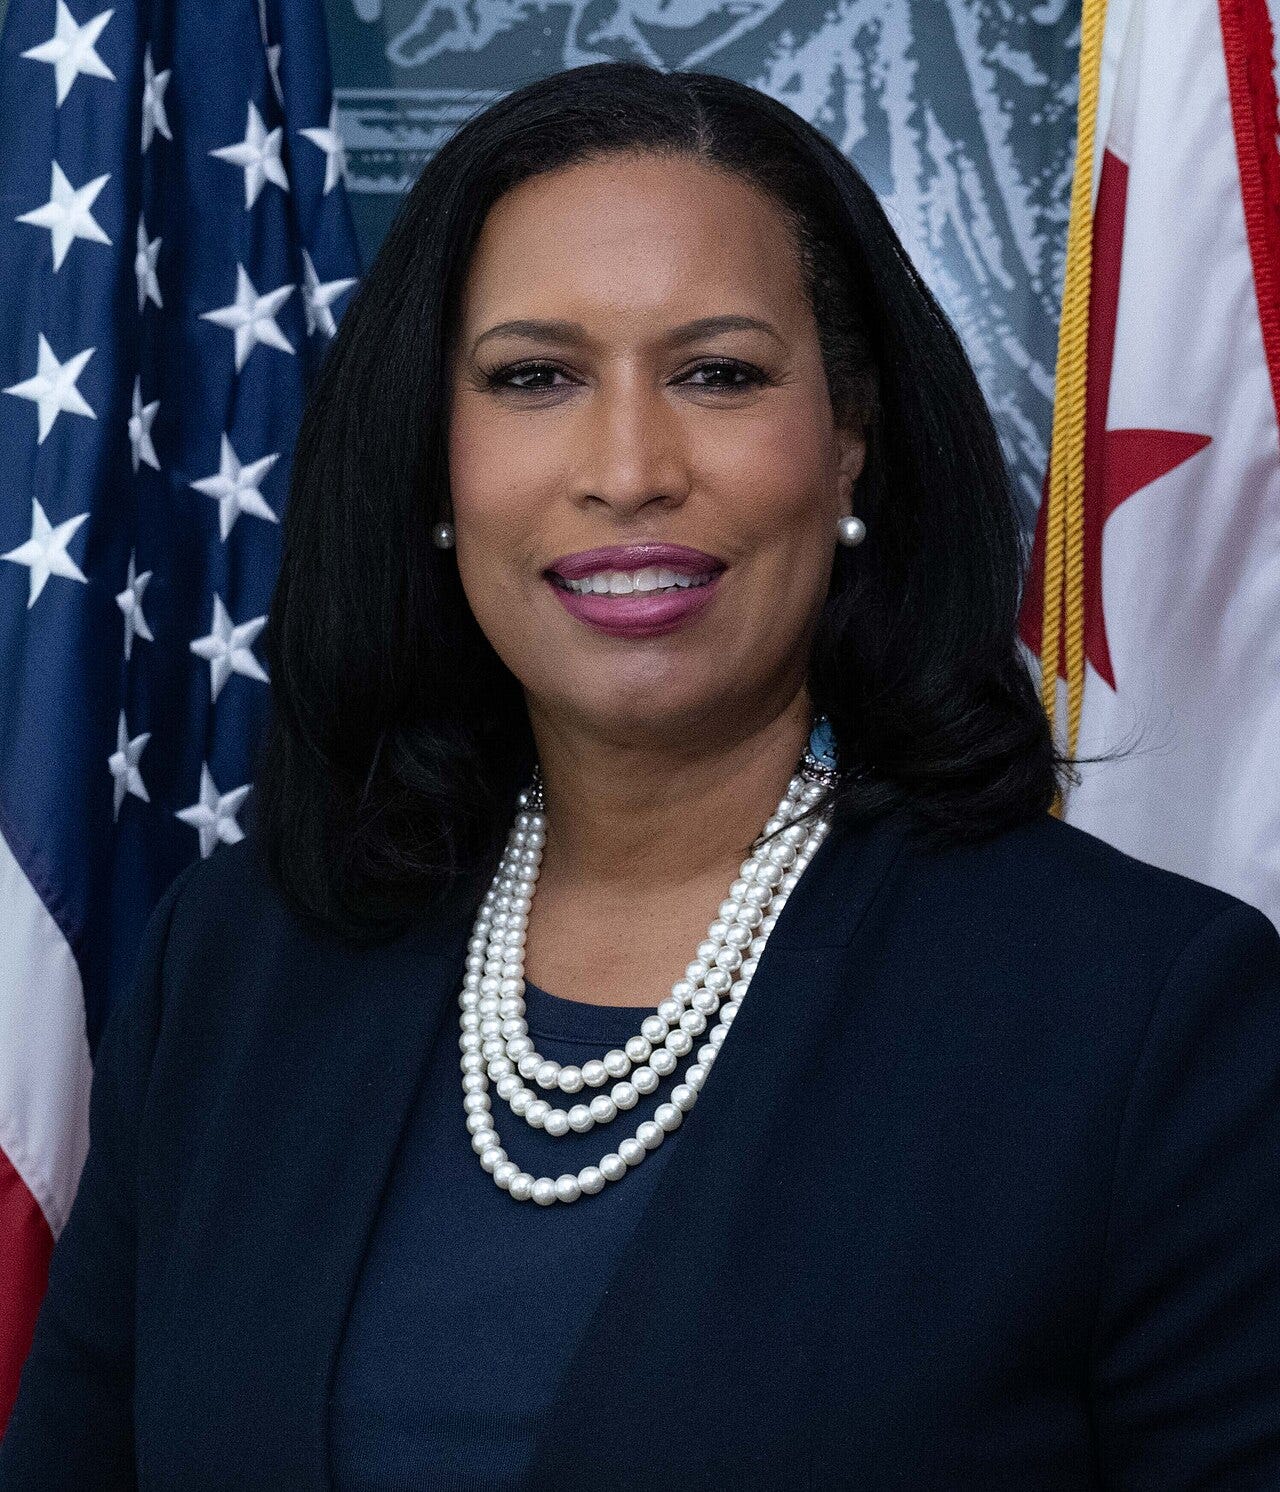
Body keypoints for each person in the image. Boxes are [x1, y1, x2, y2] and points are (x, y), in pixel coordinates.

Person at [2, 58, 1279, 1491]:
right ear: (435, 458)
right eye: (534, 377)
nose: (626, 467)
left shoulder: (1145, 1015)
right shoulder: (233, 967)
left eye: (718, 374)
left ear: (851, 441)